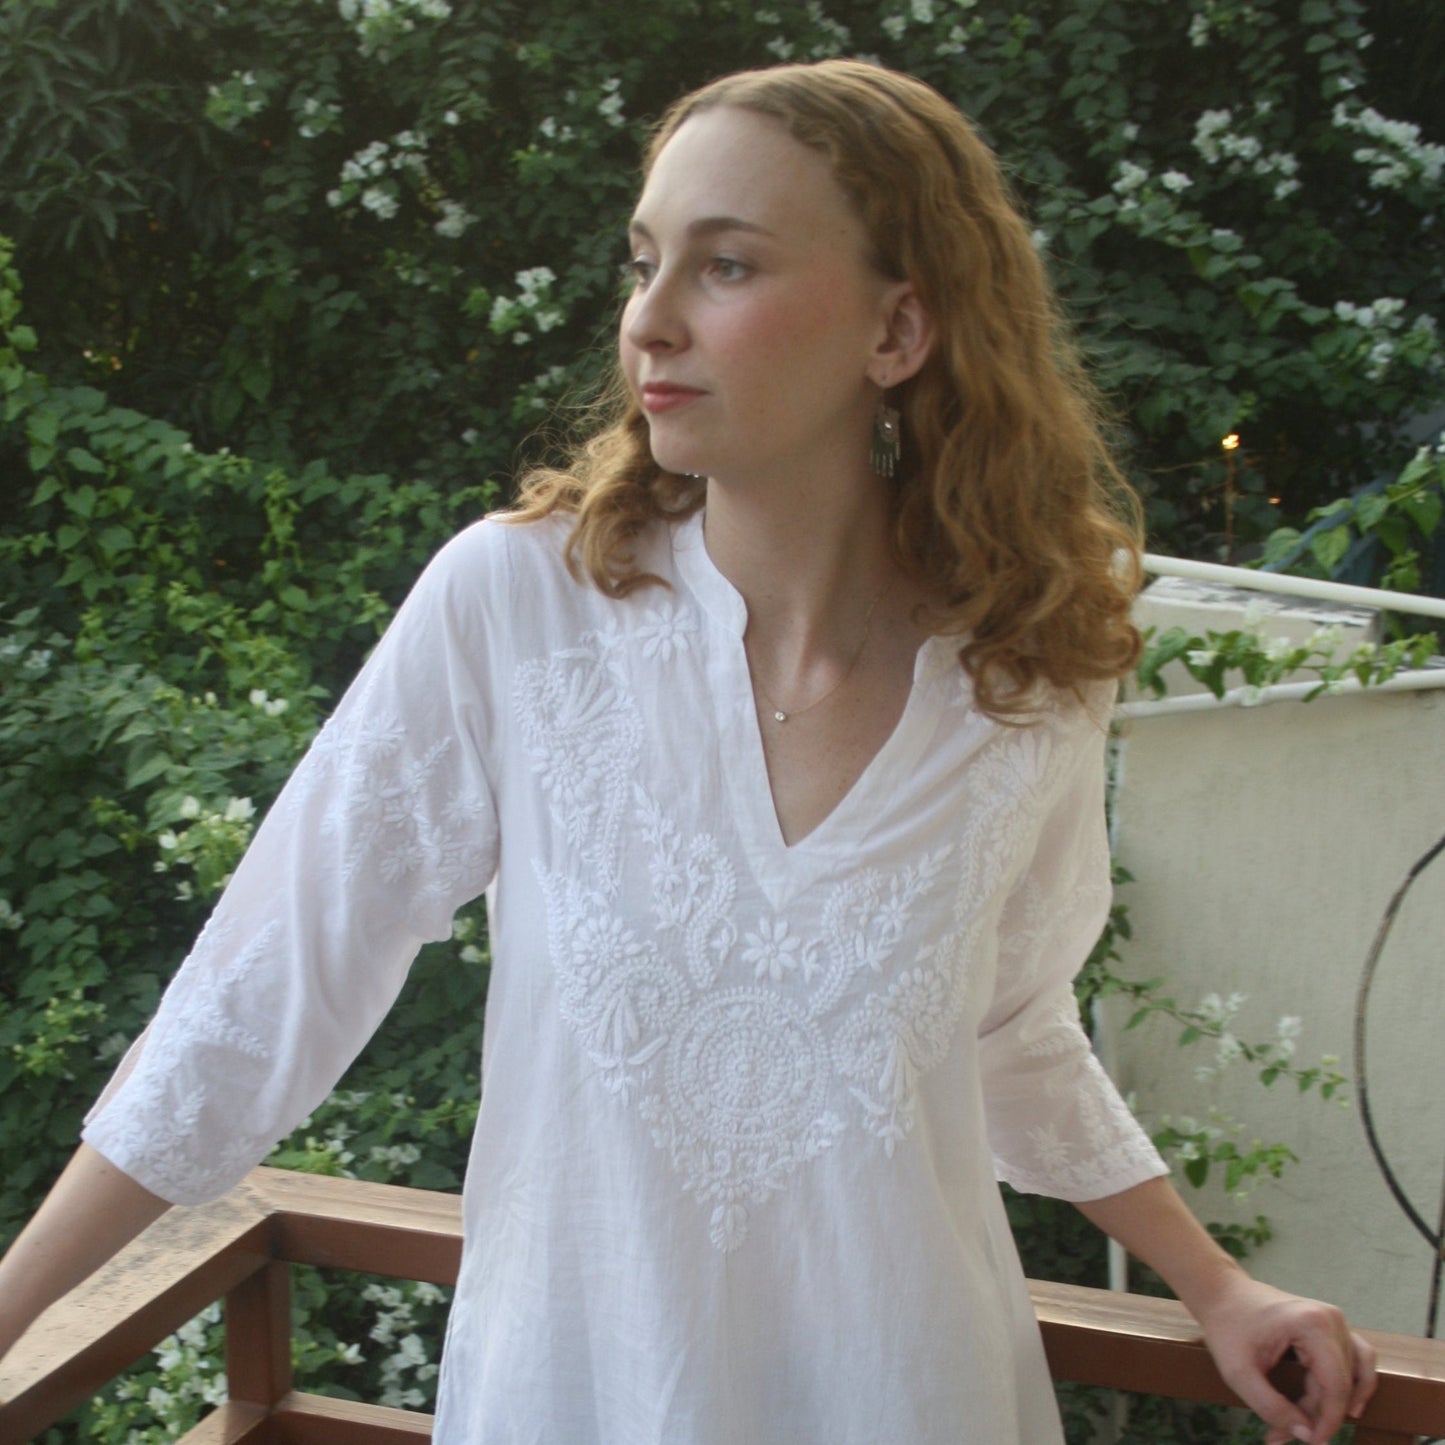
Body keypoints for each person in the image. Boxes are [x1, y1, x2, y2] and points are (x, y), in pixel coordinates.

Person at [0, 59, 1375, 1445]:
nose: (648, 320)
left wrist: (1214, 1285)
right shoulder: (517, 609)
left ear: (898, 327)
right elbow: (254, 1000)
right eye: (643, 261)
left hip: (906, 1398)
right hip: (577, 1401)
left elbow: (1009, 1025)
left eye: (725, 265)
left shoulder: (1028, 674)